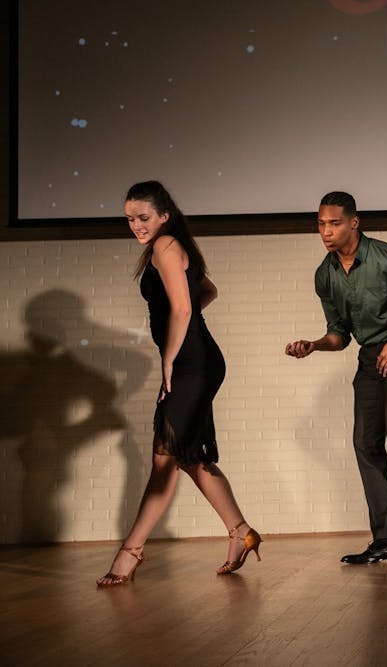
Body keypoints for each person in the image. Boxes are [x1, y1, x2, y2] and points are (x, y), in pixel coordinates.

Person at [97, 181, 261, 586]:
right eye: (130, 219)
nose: (136, 225)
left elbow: (184, 308)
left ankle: (130, 552)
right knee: (185, 456)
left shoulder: (165, 246)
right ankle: (241, 532)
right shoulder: (171, 245)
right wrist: (178, 341)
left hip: (192, 363)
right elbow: (207, 292)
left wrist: (170, 356)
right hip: (196, 361)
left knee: (164, 456)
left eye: (143, 217)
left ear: (164, 216)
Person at [285, 192, 387, 563]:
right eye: (321, 224)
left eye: (334, 223)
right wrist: (314, 345)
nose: (326, 232)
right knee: (365, 443)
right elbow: (340, 335)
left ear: (354, 223)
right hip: (369, 358)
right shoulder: (325, 275)